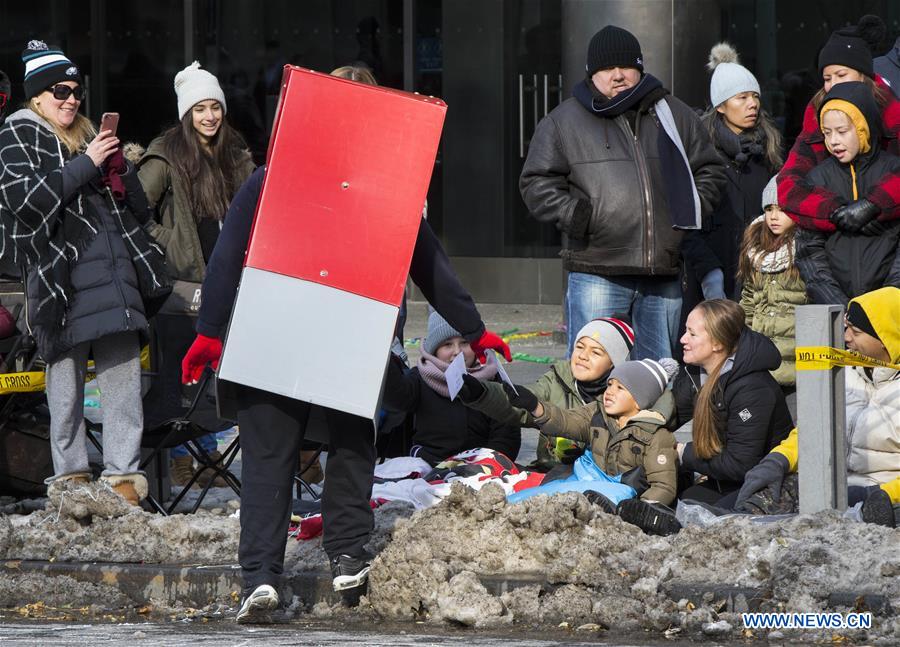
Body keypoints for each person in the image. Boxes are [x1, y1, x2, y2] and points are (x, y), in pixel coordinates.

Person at [181, 68, 514, 624]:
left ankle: (261, 577)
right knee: (352, 443)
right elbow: (430, 266)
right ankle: (348, 553)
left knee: (268, 454)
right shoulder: (389, 185)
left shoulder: (272, 175)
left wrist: (211, 331)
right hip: (349, 332)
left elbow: (227, 255)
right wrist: (473, 329)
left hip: (274, 326)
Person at [0, 41, 170, 505]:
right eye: (60, 90)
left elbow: (136, 210)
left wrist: (119, 169)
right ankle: (71, 482)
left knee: (122, 386)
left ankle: (123, 482)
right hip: (62, 284)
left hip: (113, 280)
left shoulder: (89, 135)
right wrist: (87, 163)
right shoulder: (19, 134)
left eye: (76, 90)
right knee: (66, 388)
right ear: (37, 96)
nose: (71, 99)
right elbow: (27, 203)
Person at [520, 24, 724, 360]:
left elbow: (711, 170)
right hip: (596, 270)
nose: (617, 75)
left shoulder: (673, 113)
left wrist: (690, 208)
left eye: (626, 66)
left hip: (663, 272)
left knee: (660, 375)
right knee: (592, 376)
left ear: (640, 67)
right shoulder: (563, 121)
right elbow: (535, 183)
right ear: (591, 73)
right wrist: (577, 215)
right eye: (606, 68)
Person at [137, 61, 256, 488]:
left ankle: (215, 455)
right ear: (186, 113)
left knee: (232, 370)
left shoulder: (236, 155)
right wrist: (166, 239)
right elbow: (134, 210)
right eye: (200, 109)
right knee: (184, 375)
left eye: (215, 107)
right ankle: (184, 460)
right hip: (184, 283)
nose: (209, 116)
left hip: (230, 278)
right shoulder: (166, 154)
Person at [735, 286, 900, 528]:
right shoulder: (842, 374)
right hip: (830, 484)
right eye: (846, 328)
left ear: (887, 340)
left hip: (883, 497)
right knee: (753, 501)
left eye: (856, 332)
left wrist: (886, 495)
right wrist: (779, 459)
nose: (845, 338)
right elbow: (812, 429)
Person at [502, 358, 680, 533]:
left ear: (639, 400)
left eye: (620, 388)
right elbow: (567, 421)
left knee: (612, 498)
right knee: (545, 493)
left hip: (625, 491)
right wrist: (535, 406)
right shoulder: (597, 412)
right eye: (610, 384)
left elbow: (664, 486)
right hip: (589, 476)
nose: (609, 392)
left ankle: (616, 513)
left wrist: (642, 509)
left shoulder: (656, 435)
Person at [681, 43, 783, 314]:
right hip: (709, 278)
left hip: (759, 282)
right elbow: (684, 223)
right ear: (721, 106)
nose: (753, 104)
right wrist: (707, 271)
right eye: (742, 97)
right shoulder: (700, 154)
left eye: (755, 96)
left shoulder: (768, 154)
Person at [459, 316, 635, 471]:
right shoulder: (556, 380)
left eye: (596, 352)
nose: (583, 356)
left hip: (603, 480)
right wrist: (482, 392)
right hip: (551, 473)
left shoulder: (624, 397)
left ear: (614, 363)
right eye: (580, 347)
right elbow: (520, 406)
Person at [777, 15, 900, 235]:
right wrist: (836, 212)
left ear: (864, 76)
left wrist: (873, 205)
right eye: (827, 78)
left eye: (841, 75)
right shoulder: (816, 118)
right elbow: (788, 186)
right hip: (834, 249)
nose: (833, 85)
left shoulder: (891, 114)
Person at [672, 299, 792, 507]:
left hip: (762, 487)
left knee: (694, 508)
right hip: (723, 481)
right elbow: (669, 415)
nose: (683, 339)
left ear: (718, 343)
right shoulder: (697, 373)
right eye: (685, 331)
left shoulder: (752, 388)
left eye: (692, 334)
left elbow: (740, 464)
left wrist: (684, 453)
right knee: (678, 497)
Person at [793, 81, 900, 305]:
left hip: (889, 307)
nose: (833, 141)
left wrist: (885, 301)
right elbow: (809, 252)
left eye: (842, 131)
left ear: (864, 128)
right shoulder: (817, 179)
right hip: (834, 312)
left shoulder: (891, 173)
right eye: (827, 132)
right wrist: (836, 303)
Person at [381, 311, 520, 466]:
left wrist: (487, 466)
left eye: (465, 343)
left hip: (481, 467)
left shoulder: (493, 378)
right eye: (447, 344)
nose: (457, 351)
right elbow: (396, 398)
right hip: (428, 465)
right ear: (434, 349)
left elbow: (507, 435)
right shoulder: (421, 377)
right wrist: (384, 355)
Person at [738, 176, 807, 389]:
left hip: (799, 362)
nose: (774, 217)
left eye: (782, 209)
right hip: (760, 361)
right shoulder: (755, 249)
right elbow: (748, 302)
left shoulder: (809, 248)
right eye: (769, 209)